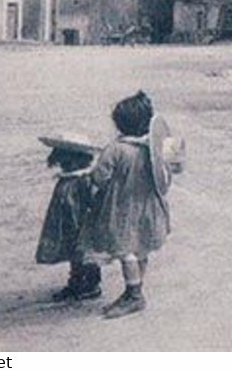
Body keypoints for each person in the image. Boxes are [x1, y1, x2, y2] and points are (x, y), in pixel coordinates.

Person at [80, 91, 171, 319]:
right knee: (141, 249)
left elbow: (100, 177)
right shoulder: (154, 148)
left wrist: (88, 179)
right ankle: (136, 288)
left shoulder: (116, 149)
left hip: (122, 209)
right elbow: (168, 175)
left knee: (126, 251)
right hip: (150, 208)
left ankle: (134, 295)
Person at [36, 134, 103, 302]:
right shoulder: (66, 179)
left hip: (81, 221)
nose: (63, 163)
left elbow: (91, 201)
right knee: (72, 251)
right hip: (66, 221)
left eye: (67, 160)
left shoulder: (84, 179)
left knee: (86, 253)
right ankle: (76, 282)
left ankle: (91, 284)